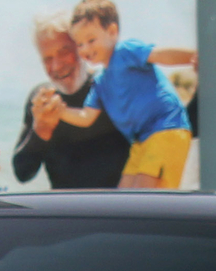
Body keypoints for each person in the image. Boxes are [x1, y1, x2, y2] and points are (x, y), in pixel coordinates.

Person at [53, 0, 197, 190]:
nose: (85, 48)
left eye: (91, 40)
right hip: (141, 142)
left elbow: (162, 56)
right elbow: (86, 116)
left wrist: (197, 56)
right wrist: (59, 111)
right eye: (79, 44)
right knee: (124, 198)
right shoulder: (101, 81)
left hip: (167, 128)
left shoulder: (125, 51)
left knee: (146, 198)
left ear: (112, 31)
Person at [12, 13, 131, 191]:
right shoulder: (42, 101)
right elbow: (23, 173)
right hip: (67, 213)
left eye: (64, 52)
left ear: (81, 49)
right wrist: (41, 130)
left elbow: (173, 129)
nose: (57, 66)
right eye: (48, 59)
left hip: (116, 210)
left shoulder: (110, 87)